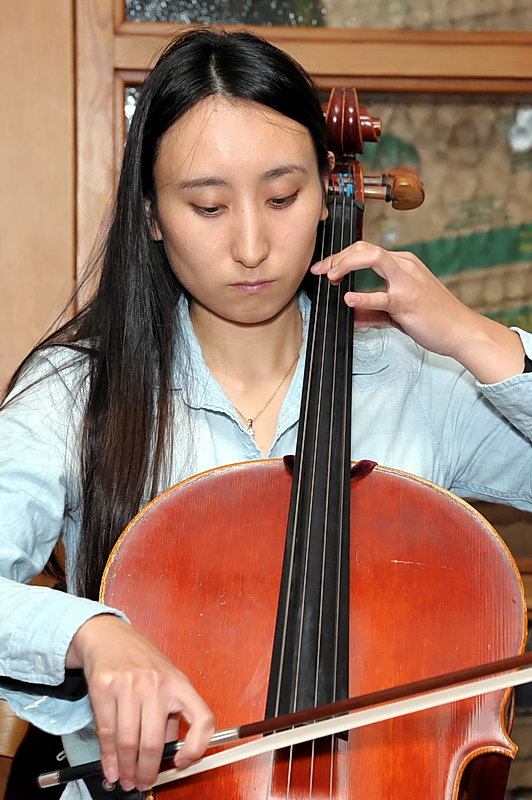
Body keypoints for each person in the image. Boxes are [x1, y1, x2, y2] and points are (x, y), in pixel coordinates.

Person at [0, 27, 530, 800]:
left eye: (282, 198)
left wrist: (478, 340)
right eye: (208, 206)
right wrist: (90, 633)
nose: (251, 245)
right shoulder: (76, 392)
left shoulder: (418, 381)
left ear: (327, 193)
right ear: (151, 215)